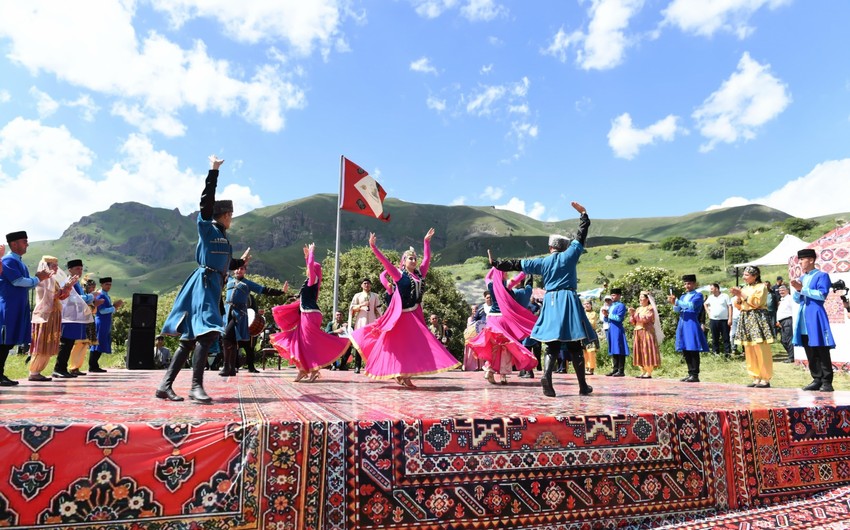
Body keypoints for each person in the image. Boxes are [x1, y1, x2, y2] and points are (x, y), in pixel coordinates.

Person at [490, 201, 595, 397]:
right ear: (563, 247)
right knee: (574, 343)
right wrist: (584, 215)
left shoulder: (542, 262)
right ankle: (582, 386)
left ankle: (547, 375)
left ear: (550, 248)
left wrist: (497, 263)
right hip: (567, 299)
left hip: (551, 301)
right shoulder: (570, 255)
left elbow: (516, 263)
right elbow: (581, 235)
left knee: (552, 343)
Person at [156, 155, 233, 404]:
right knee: (208, 333)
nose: (232, 218)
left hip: (213, 286)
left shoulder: (222, 237)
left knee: (189, 339)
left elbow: (224, 262)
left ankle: (164, 386)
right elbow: (206, 201)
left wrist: (239, 263)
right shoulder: (206, 226)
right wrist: (213, 171)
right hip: (202, 285)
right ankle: (195, 387)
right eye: (230, 214)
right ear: (222, 215)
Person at [350, 229, 461, 387]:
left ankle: (401, 374)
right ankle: (403, 375)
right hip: (401, 315)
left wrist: (426, 242)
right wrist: (374, 248)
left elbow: (427, 258)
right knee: (398, 346)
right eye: (410, 258)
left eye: (415, 258)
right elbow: (385, 263)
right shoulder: (398, 275)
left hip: (415, 313)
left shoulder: (420, 273)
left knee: (413, 345)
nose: (414, 260)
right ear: (404, 261)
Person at [270, 244, 349, 382]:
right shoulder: (308, 281)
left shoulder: (314, 280)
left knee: (308, 343)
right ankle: (302, 369)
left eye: (310, 267)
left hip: (310, 314)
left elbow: (312, 268)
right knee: (299, 341)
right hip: (306, 313)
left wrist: (311, 254)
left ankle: (314, 370)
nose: (308, 269)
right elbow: (310, 267)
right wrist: (307, 257)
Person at [0, 232, 53, 386]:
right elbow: (18, 281)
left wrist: (36, 279)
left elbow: (26, 282)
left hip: (17, 306)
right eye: (24, 241)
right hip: (8, 306)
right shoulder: (9, 260)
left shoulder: (19, 262)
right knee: (4, 341)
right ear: (14, 244)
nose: (27, 244)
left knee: (8, 342)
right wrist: (38, 279)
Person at [469, 268, 537, 385]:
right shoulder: (508, 286)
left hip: (491, 319)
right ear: (504, 275)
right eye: (505, 272)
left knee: (493, 346)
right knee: (506, 347)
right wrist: (527, 268)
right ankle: (503, 375)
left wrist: (493, 268)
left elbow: (486, 277)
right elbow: (520, 277)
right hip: (503, 318)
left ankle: (489, 370)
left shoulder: (491, 285)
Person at [219, 258, 286, 376]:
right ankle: (231, 369)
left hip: (239, 314)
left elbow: (264, 290)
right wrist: (240, 260)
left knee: (226, 337)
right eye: (238, 268)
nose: (239, 270)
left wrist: (281, 292)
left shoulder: (247, 283)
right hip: (227, 312)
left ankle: (226, 366)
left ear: (245, 271)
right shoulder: (228, 279)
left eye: (242, 269)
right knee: (232, 340)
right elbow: (221, 269)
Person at [791, 248, 836, 392]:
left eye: (802, 260)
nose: (800, 263)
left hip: (815, 315)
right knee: (809, 349)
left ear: (811, 260)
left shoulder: (822, 276)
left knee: (821, 348)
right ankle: (816, 378)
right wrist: (798, 290)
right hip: (804, 317)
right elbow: (798, 300)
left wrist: (802, 289)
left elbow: (822, 295)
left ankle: (827, 381)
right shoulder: (802, 278)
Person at [28, 257, 75, 381]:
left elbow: (61, 297)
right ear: (46, 266)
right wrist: (65, 288)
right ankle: (34, 372)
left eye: (56, 265)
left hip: (53, 314)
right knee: (42, 344)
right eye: (53, 265)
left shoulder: (53, 280)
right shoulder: (44, 280)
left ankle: (38, 371)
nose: (56, 268)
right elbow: (50, 296)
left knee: (48, 344)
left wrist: (68, 287)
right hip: (44, 315)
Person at [730, 266, 774, 388]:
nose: (744, 277)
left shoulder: (761, 287)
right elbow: (738, 306)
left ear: (755, 276)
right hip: (746, 317)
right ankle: (755, 377)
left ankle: (765, 378)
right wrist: (738, 297)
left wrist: (741, 294)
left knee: (761, 348)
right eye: (743, 275)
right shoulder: (745, 288)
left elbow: (757, 303)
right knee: (749, 348)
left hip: (757, 317)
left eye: (746, 275)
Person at [668, 274, 708, 383]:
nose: (687, 286)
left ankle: (695, 374)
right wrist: (674, 303)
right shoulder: (682, 296)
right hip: (682, 323)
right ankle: (690, 372)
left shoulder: (698, 295)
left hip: (691, 323)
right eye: (685, 284)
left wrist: (677, 302)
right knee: (685, 348)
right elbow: (677, 310)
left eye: (689, 283)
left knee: (693, 348)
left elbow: (691, 306)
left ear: (694, 284)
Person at [89, 277, 124, 373]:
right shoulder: (100, 295)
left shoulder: (106, 295)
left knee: (100, 342)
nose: (108, 286)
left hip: (106, 321)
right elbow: (102, 310)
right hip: (101, 321)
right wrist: (114, 307)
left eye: (110, 284)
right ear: (102, 285)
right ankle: (92, 365)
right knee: (98, 343)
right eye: (106, 284)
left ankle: (94, 365)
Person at [68, 277, 102, 375]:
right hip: (81, 321)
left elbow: (93, 310)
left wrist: (95, 304)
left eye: (93, 287)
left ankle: (77, 367)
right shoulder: (85, 296)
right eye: (90, 287)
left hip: (89, 320)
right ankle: (73, 366)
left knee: (84, 345)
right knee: (78, 344)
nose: (92, 289)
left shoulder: (89, 297)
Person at [348, 278, 382, 373]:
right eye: (365, 283)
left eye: (368, 283)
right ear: (362, 285)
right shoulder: (357, 295)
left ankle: (372, 366)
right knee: (359, 343)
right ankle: (357, 366)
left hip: (372, 322)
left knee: (372, 343)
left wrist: (380, 320)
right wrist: (361, 305)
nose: (367, 285)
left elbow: (378, 309)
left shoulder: (375, 296)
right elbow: (352, 308)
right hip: (361, 322)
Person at [629, 291, 663, 378]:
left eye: (642, 297)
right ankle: (642, 370)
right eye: (639, 297)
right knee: (639, 351)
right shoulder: (638, 309)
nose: (640, 299)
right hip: (638, 331)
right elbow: (633, 322)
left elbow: (646, 319)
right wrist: (632, 315)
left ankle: (649, 371)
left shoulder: (650, 308)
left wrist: (635, 315)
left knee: (647, 350)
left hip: (646, 332)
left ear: (647, 299)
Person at [602, 288, 629, 377]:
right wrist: (606, 315)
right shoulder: (611, 306)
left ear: (619, 296)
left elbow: (619, 318)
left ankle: (621, 370)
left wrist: (609, 314)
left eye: (614, 295)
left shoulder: (621, 306)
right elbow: (607, 319)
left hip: (617, 329)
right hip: (611, 328)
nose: (612, 297)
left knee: (619, 348)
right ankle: (615, 369)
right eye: (612, 295)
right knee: (613, 348)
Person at [704, 283, 732, 356]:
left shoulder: (725, 296)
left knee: (726, 337)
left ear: (716, 288)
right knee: (715, 337)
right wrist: (708, 313)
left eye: (712, 288)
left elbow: (729, 306)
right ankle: (715, 352)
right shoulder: (710, 297)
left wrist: (730, 318)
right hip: (714, 320)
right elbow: (705, 304)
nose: (711, 290)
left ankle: (727, 353)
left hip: (724, 320)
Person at [775, 284, 795, 363]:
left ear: (787, 290)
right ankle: (791, 355)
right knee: (783, 340)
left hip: (788, 320)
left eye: (783, 290)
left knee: (788, 339)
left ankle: (791, 357)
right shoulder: (782, 299)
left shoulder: (790, 298)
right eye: (780, 291)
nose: (781, 292)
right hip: (782, 322)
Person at [462, 304, 484, 371]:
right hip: (471, 337)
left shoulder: (481, 318)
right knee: (470, 353)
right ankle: (471, 366)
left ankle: (480, 366)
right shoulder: (470, 319)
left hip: (478, 338)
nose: (474, 310)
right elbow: (470, 327)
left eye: (476, 309)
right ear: (471, 310)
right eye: (473, 309)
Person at [582, 300, 599, 376]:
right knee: (584, 352)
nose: (586, 305)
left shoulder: (593, 313)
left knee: (591, 351)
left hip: (591, 334)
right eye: (585, 304)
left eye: (588, 304)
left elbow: (591, 323)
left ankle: (591, 368)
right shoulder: (582, 313)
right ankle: (586, 367)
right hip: (583, 334)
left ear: (591, 305)